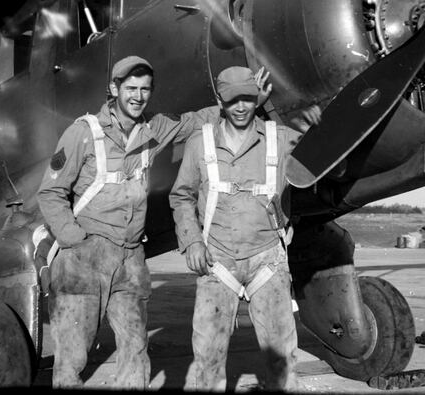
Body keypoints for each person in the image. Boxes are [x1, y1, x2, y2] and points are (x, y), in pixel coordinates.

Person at [37, 56, 272, 389]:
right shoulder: (83, 133)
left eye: (145, 89)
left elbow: (198, 120)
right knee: (72, 359)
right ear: (114, 89)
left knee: (136, 350)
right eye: (131, 88)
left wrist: (248, 102)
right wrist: (76, 242)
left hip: (132, 257)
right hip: (83, 258)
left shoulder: (155, 127)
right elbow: (51, 193)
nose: (138, 96)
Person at [169, 66, 321, 391]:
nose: (241, 107)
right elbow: (181, 196)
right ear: (219, 100)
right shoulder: (200, 144)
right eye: (232, 99)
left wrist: (325, 120)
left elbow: (321, 163)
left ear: (257, 98)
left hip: (268, 262)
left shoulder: (280, 139)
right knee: (207, 364)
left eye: (248, 99)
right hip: (216, 262)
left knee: (283, 364)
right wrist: (191, 242)